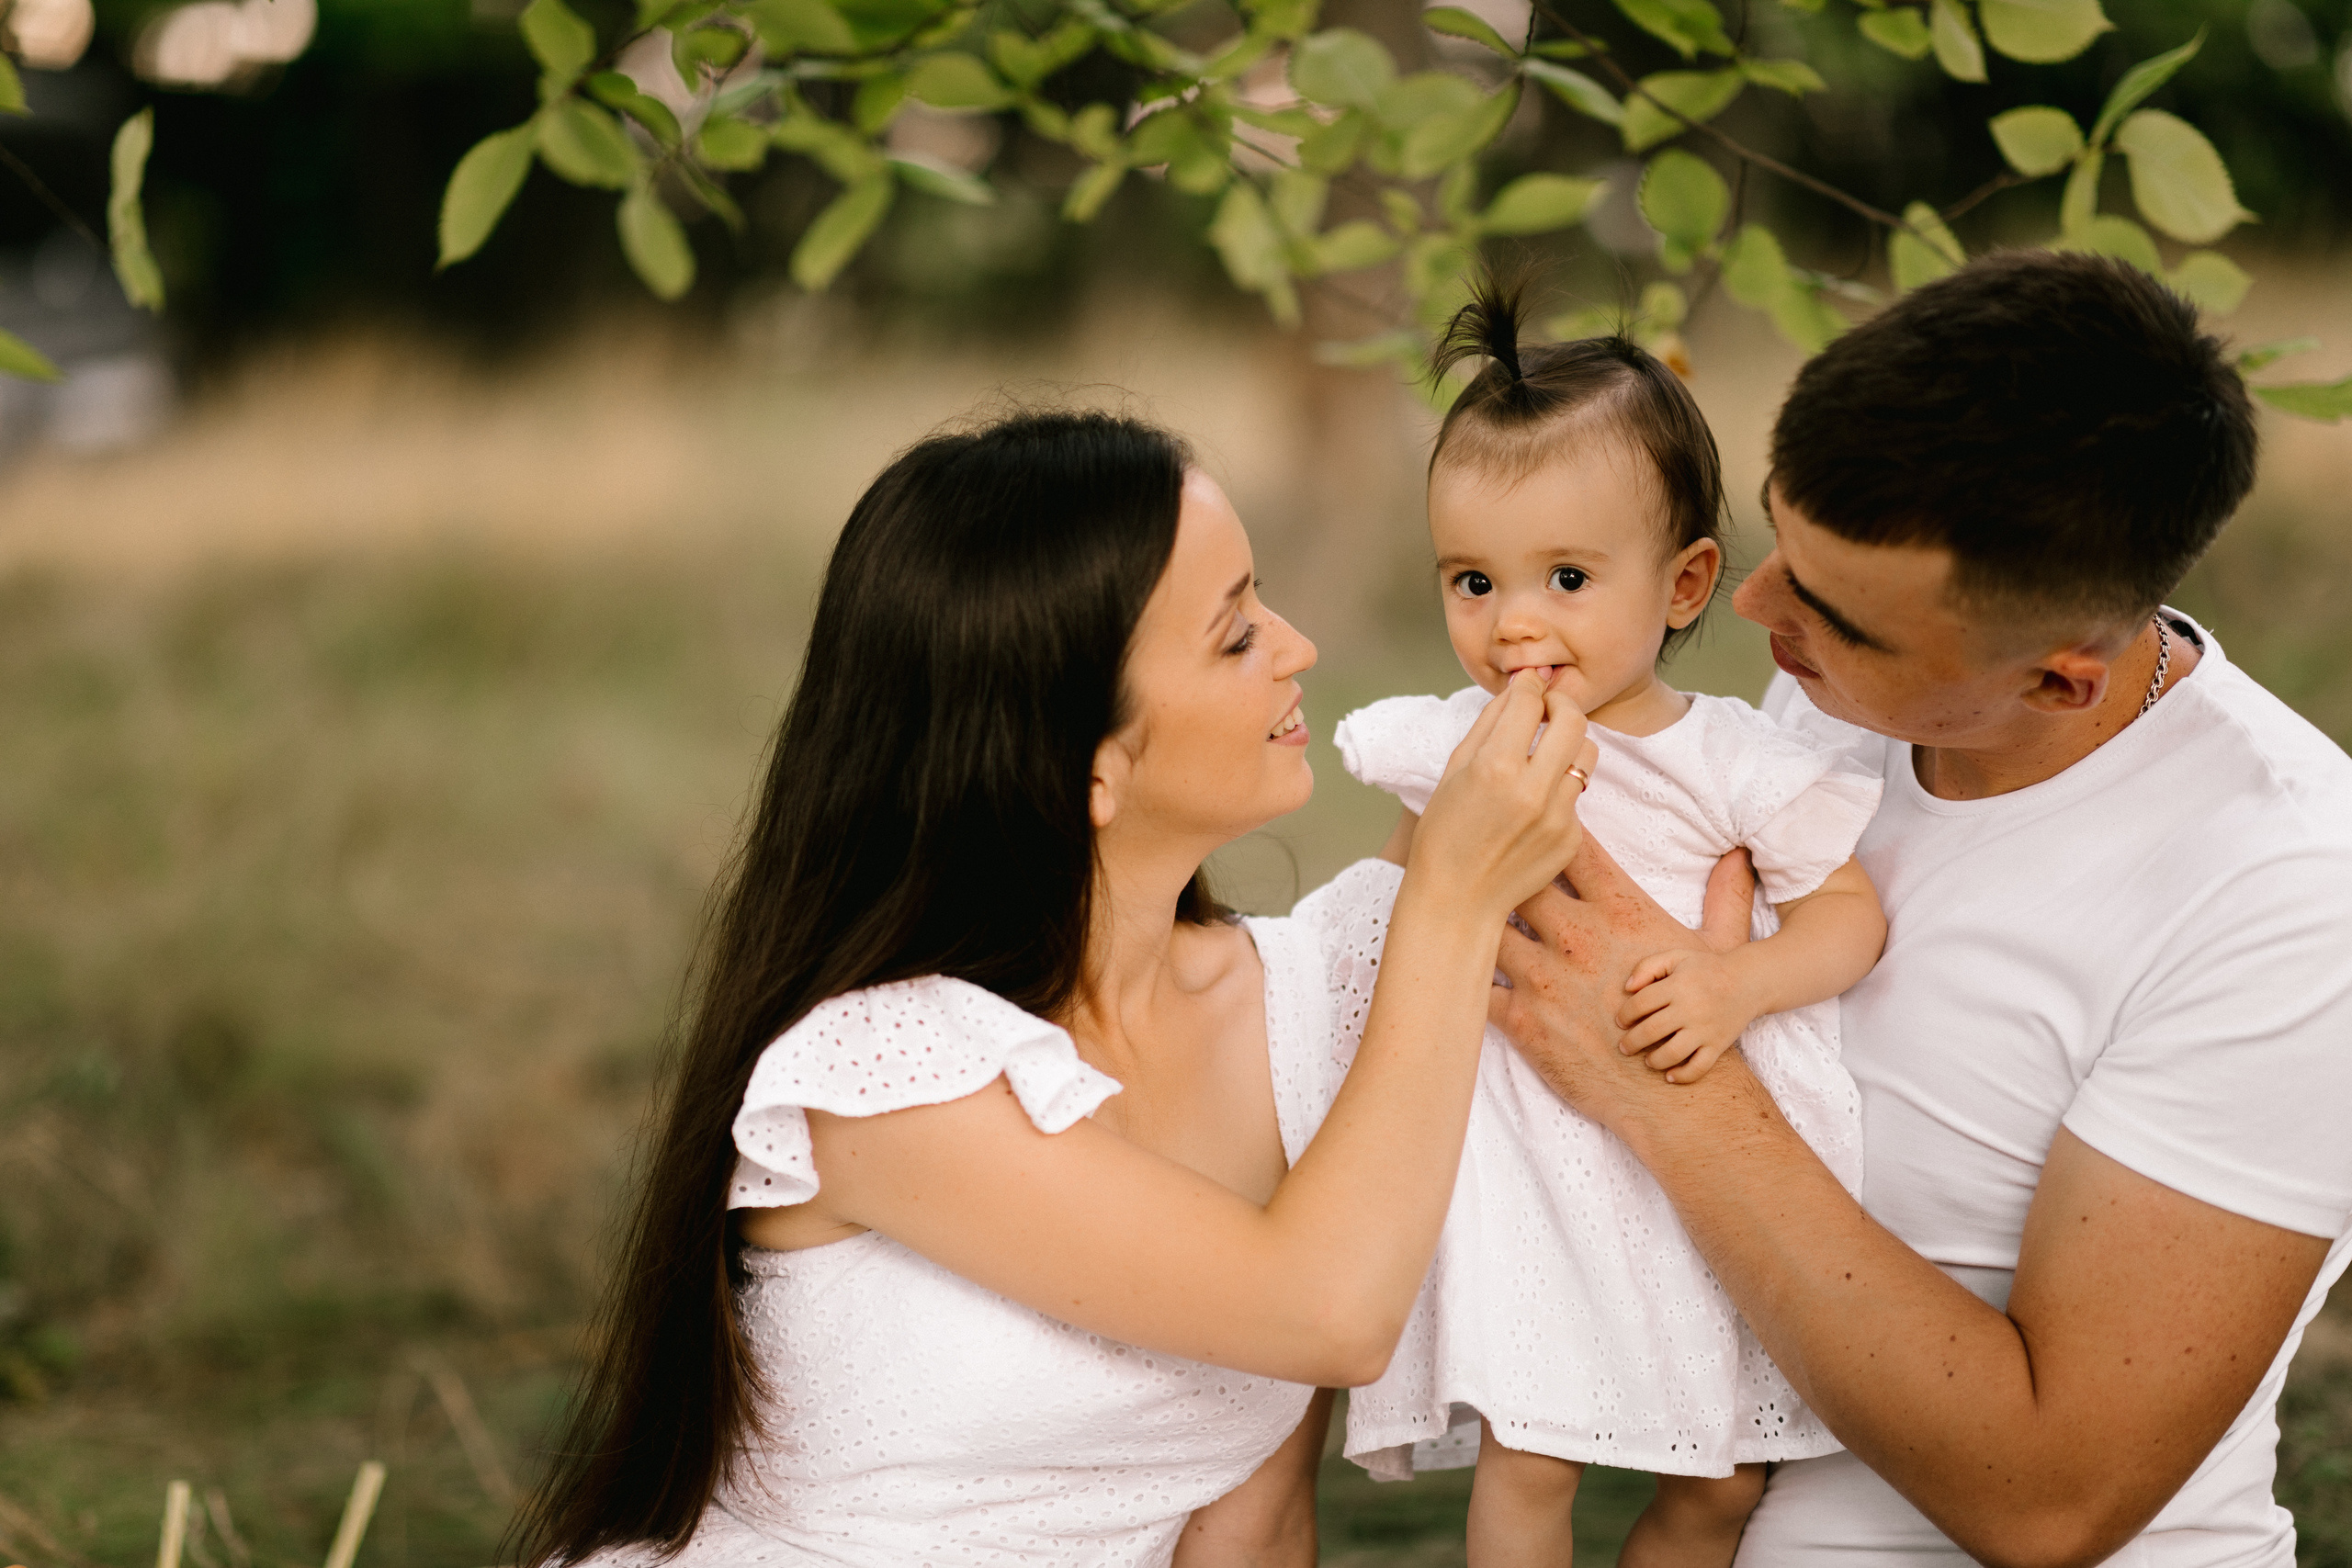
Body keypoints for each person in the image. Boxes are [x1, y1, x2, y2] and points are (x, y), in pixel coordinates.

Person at [503, 409, 1603, 1568]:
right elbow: (1328, 1312)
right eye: (1233, 637)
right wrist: (1449, 904)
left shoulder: (1290, 1010)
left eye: (1259, 599)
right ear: (1086, 770)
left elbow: (1257, 1517)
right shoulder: (880, 1074)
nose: (1297, 646)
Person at [1487, 250, 2352, 1567]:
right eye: (1781, 535)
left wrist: (1670, 1090)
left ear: (2061, 681)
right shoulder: (1832, 706)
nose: (1751, 604)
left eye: (1830, 612)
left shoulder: (2288, 891)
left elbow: (2049, 1496)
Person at [1329, 279, 1889, 1568]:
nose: (1513, 621)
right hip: (1531, 1155)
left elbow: (1850, 916)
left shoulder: (1731, 762)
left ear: (1687, 581)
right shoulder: (1461, 746)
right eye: (1473, 579)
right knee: (1535, 1447)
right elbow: (1384, 909)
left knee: (1728, 1469)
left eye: (1567, 576)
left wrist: (1738, 980)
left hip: (1700, 1158)